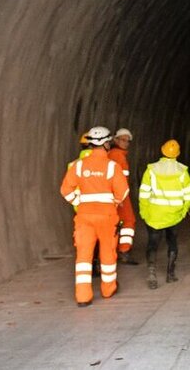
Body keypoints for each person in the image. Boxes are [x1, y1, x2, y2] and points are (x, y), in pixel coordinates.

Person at [60, 126, 129, 306]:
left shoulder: (79, 165)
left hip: (84, 217)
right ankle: (108, 288)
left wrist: (77, 202)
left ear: (90, 143)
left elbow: (65, 189)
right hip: (107, 217)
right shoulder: (112, 166)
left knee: (83, 255)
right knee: (107, 253)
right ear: (107, 144)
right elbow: (123, 191)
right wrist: (112, 202)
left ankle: (83, 296)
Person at [138, 140, 190, 289]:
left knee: (153, 243)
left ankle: (151, 274)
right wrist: (183, 211)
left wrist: (144, 211)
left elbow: (144, 194)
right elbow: (188, 195)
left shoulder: (151, 170)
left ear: (162, 151)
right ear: (178, 154)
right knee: (172, 242)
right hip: (174, 214)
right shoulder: (182, 171)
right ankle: (170, 274)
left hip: (155, 213)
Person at [108, 128, 139, 265]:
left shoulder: (115, 154)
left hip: (113, 194)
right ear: (115, 140)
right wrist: (119, 197)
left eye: (128, 141)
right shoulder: (117, 155)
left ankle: (112, 251)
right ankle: (124, 250)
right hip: (119, 195)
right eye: (123, 139)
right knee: (128, 221)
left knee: (113, 223)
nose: (126, 143)